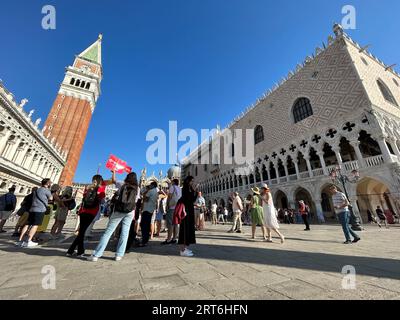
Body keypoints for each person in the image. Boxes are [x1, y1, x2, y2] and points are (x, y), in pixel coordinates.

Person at [88, 172, 139, 262]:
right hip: (130, 212)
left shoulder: (123, 184)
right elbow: (136, 200)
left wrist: (114, 172)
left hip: (119, 210)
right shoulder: (137, 188)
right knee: (125, 233)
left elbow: (114, 180)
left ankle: (96, 255)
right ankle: (119, 255)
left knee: (108, 232)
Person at [67, 172, 115, 257]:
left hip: (83, 211)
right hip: (92, 211)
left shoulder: (87, 187)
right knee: (82, 232)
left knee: (82, 231)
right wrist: (113, 172)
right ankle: (79, 252)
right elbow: (112, 181)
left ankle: (71, 251)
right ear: (101, 180)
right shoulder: (101, 187)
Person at [17, 179, 53, 247]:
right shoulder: (46, 190)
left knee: (27, 224)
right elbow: (51, 198)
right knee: (35, 225)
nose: (51, 184)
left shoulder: (36, 190)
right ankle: (28, 241)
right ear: (48, 183)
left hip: (32, 209)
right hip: (40, 209)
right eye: (50, 182)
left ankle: (20, 240)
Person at [178, 176, 197, 257]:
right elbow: (185, 200)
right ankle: (182, 250)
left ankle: (185, 248)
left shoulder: (190, 189)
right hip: (186, 212)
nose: (192, 182)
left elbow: (192, 200)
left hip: (190, 211)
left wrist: (194, 191)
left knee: (188, 230)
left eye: (193, 181)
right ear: (188, 181)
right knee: (184, 230)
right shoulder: (185, 189)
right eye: (191, 181)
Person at [162, 179, 181, 245]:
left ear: (173, 182)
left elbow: (169, 197)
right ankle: (174, 239)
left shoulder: (172, 187)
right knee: (176, 224)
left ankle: (169, 239)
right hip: (178, 208)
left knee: (170, 224)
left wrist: (167, 205)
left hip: (172, 208)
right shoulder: (180, 188)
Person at [140, 181, 159, 247]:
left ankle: (144, 241)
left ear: (153, 185)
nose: (149, 186)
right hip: (151, 210)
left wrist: (146, 191)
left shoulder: (150, 191)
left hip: (147, 210)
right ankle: (145, 240)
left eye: (150, 185)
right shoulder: (156, 192)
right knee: (147, 225)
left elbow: (145, 199)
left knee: (144, 225)